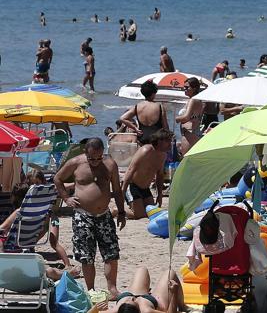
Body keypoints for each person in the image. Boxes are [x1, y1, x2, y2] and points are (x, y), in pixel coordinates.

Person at [54, 137, 125, 297]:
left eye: (98, 158)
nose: (95, 161)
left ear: (103, 153)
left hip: (104, 215)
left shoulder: (110, 164)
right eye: (91, 158)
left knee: (111, 252)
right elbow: (57, 178)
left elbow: (118, 190)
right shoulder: (76, 163)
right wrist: (66, 198)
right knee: (86, 255)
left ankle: (112, 288)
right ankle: (91, 289)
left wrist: (121, 212)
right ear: (85, 153)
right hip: (83, 216)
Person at [121, 129, 172, 220]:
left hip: (145, 188)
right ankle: (116, 210)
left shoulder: (163, 155)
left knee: (151, 213)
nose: (170, 144)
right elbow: (130, 170)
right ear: (159, 141)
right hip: (132, 186)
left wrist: (160, 195)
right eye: (168, 141)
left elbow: (159, 176)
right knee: (139, 215)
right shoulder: (146, 150)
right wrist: (123, 191)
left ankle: (135, 205)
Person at [103, 266, 185, 313]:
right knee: (170, 272)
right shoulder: (146, 311)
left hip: (134, 293)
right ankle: (182, 307)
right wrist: (174, 292)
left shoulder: (117, 310)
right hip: (154, 301)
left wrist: (97, 308)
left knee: (142, 269)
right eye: (134, 301)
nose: (133, 298)